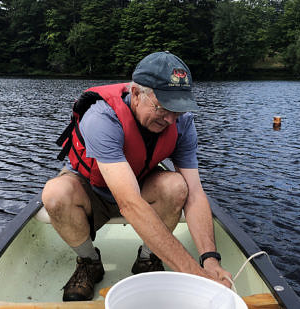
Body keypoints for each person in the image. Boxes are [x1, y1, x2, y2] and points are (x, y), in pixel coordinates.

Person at [41, 51, 232, 302]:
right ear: (136, 94)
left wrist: (209, 260)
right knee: (55, 195)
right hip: (91, 189)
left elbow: (196, 194)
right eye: (163, 107)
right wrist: (192, 272)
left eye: (178, 109)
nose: (171, 119)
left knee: (178, 186)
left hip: (141, 184)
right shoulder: (101, 117)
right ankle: (89, 262)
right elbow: (128, 203)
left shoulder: (182, 123)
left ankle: (147, 258)